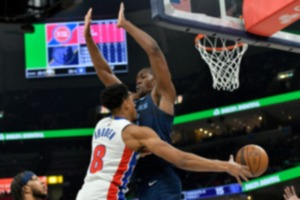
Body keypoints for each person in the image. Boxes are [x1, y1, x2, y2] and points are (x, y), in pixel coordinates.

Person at [76, 83, 251, 200]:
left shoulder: (100, 125)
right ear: (125, 104)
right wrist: (226, 166)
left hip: (84, 194)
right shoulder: (136, 133)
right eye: (131, 100)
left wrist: (137, 153)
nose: (135, 104)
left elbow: (115, 153)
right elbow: (182, 160)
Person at [84, 3, 181, 199]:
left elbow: (154, 51)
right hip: (136, 182)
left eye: (144, 76)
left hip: (160, 178)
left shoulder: (161, 96)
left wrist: (126, 25)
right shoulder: (128, 102)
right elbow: (104, 72)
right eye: (136, 77)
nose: (138, 79)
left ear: (155, 79)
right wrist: (87, 38)